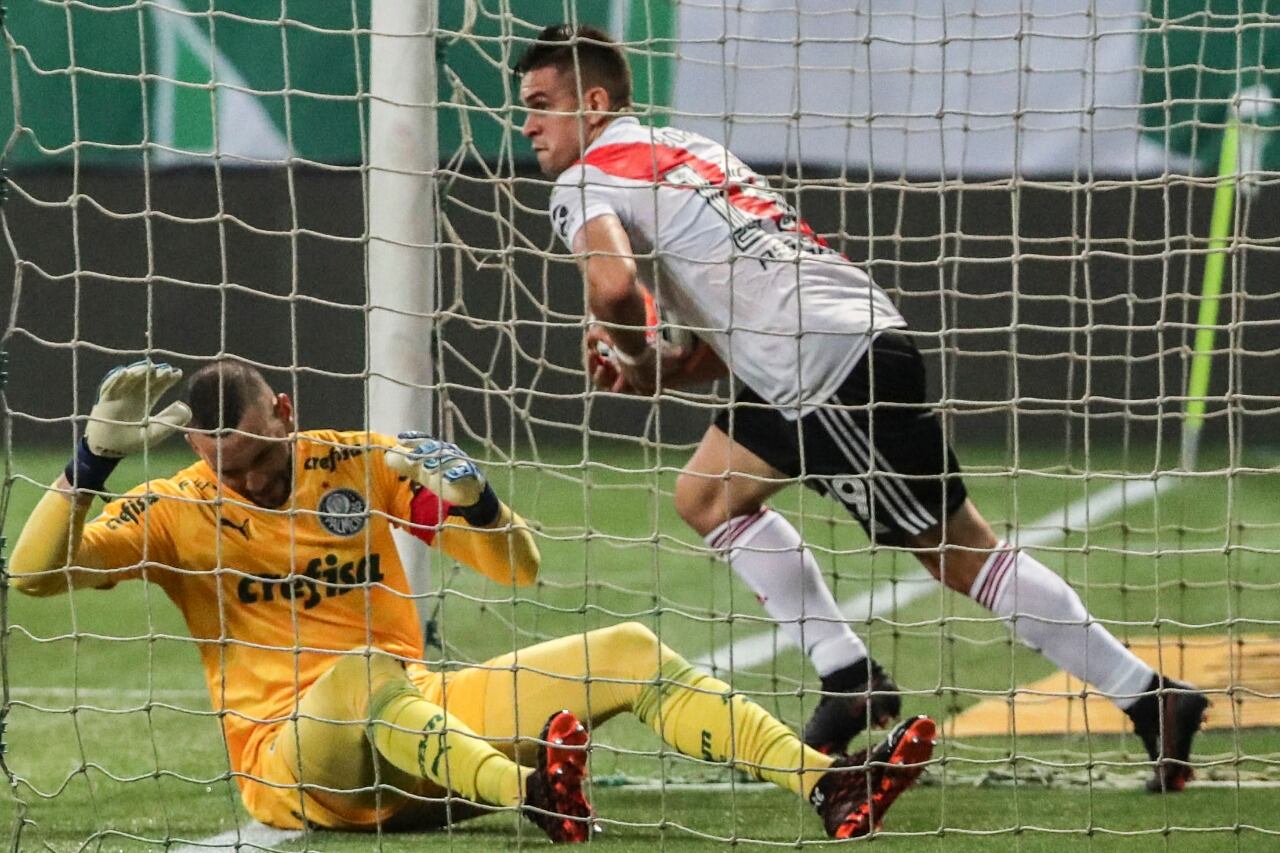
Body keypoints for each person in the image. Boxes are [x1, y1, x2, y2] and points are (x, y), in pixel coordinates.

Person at [516, 24, 1208, 792]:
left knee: (959, 554)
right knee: (706, 495)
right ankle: (849, 680)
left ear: (598, 103)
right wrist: (668, 366)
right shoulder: (688, 150)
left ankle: (1151, 699)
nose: (529, 125)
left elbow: (612, 288)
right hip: (831, 344)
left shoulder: (582, 184)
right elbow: (726, 329)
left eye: (542, 105)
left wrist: (638, 358)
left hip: (828, 372)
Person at [10, 360, 936, 842]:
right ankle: (534, 792)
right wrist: (90, 463)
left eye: (254, 459)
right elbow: (32, 576)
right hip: (297, 767)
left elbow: (518, 566)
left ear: (283, 414)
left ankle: (831, 786)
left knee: (627, 648)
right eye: (223, 466)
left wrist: (478, 500)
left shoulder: (361, 463)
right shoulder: (175, 510)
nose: (242, 480)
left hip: (420, 750)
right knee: (363, 671)